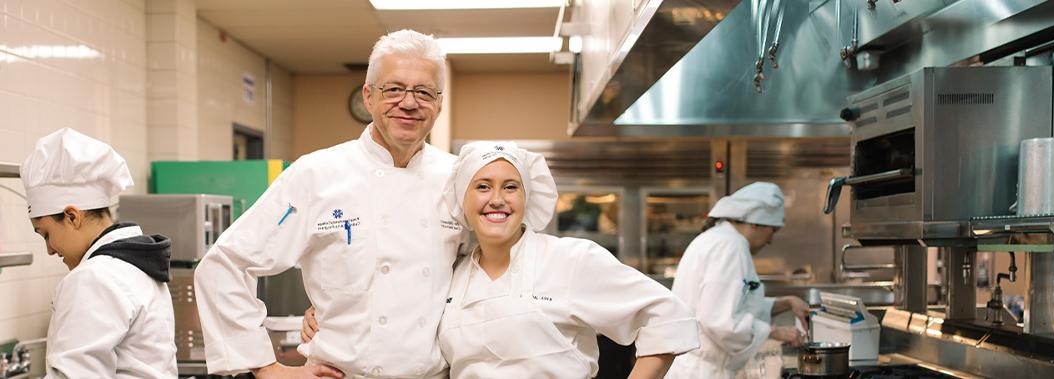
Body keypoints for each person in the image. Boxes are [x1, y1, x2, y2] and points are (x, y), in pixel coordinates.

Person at [193, 29, 465, 378]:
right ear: (369, 97)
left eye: (424, 92)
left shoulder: (458, 178)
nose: (409, 102)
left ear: (439, 104)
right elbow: (224, 264)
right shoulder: (317, 174)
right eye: (393, 89)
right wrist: (267, 368)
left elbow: (487, 272)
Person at [303, 141, 701, 378]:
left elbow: (668, 317)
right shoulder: (451, 275)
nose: (497, 199)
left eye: (510, 187)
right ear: (463, 200)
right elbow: (400, 314)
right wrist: (332, 313)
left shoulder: (570, 260)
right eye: (482, 186)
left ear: (526, 198)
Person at [21, 128, 176, 378]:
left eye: (46, 234)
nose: (49, 250)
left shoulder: (94, 278)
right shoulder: (136, 264)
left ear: (72, 216)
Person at [664, 182, 810, 379]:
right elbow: (720, 321)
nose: (770, 240)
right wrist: (775, 332)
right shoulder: (730, 247)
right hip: (704, 372)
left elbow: (730, 304)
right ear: (756, 223)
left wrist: (786, 303)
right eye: (772, 231)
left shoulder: (718, 239)